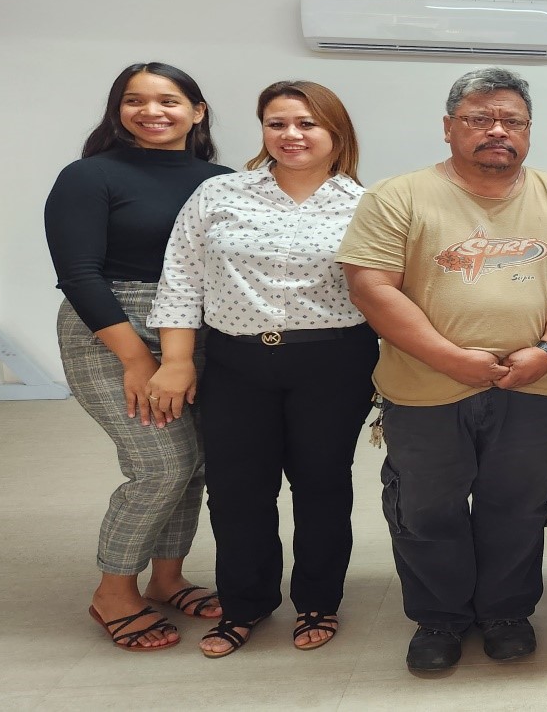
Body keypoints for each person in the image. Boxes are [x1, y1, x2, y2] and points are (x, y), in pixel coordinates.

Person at [337, 67, 547, 673]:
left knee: (520, 503)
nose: (498, 131)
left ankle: (506, 612)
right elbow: (370, 288)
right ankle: (439, 618)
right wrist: (451, 358)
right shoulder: (398, 196)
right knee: (426, 508)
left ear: (529, 133)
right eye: (480, 119)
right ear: (449, 127)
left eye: (513, 122)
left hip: (531, 384)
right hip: (424, 386)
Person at [146, 81, 379, 658]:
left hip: (334, 360)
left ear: (336, 133)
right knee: (237, 490)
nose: (291, 136)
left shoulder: (367, 204)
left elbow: (388, 291)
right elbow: (182, 279)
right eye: (277, 124)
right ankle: (244, 603)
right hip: (237, 361)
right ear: (262, 130)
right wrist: (175, 360)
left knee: (322, 485)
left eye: (307, 124)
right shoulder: (217, 194)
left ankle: (319, 601)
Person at [45, 62, 230, 651]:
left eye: (168, 100)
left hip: (197, 330)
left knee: (195, 461)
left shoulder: (221, 181)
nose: (152, 111)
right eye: (135, 100)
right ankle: (113, 590)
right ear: (117, 111)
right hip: (111, 329)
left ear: (196, 111)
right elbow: (78, 273)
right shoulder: (88, 176)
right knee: (161, 464)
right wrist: (136, 359)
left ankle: (167, 578)